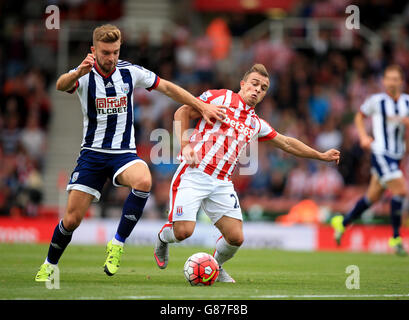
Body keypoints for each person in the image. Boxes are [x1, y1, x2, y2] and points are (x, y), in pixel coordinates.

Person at [35, 24, 225, 281]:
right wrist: (78, 71)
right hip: (91, 154)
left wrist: (200, 105)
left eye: (114, 51)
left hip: (123, 153)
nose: (110, 57)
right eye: (105, 52)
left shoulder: (130, 72)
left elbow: (168, 87)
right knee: (71, 220)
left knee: (144, 179)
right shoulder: (84, 74)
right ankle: (49, 265)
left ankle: (117, 244)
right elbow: (60, 85)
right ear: (94, 50)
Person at [154, 64, 340, 282]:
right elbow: (182, 111)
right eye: (254, 84)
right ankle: (162, 238)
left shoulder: (255, 123)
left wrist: (320, 155)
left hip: (221, 182)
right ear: (242, 84)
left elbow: (287, 143)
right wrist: (185, 145)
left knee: (236, 237)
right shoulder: (221, 98)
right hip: (194, 173)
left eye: (263, 88)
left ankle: (216, 265)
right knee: (183, 232)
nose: (258, 90)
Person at [331, 65, 408, 256]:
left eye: (395, 78)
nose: (392, 82)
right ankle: (396, 237)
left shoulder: (407, 102)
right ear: (384, 81)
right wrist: (364, 137)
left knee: (372, 198)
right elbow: (359, 116)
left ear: (401, 81)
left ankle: (342, 222)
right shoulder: (377, 100)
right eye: (388, 78)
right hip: (381, 152)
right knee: (401, 190)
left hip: (397, 155)